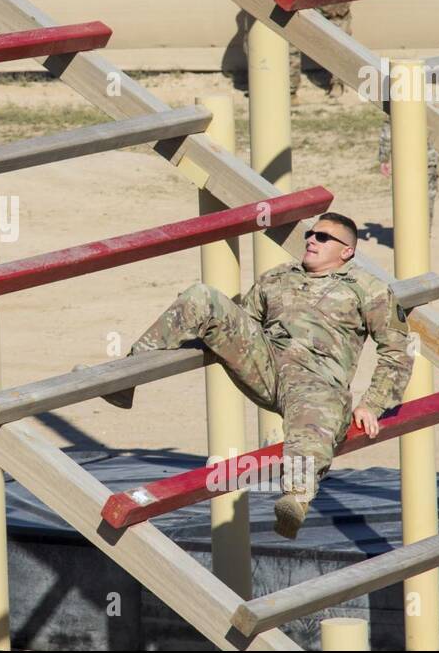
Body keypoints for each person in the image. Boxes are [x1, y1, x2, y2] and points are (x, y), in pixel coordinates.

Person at [96, 212, 414, 540]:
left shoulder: (369, 289)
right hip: (266, 365)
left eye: (322, 237)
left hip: (317, 381)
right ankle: (125, 378)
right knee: (203, 296)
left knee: (311, 426)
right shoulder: (277, 277)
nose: (311, 241)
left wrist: (372, 403)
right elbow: (245, 322)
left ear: (346, 250)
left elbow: (397, 351)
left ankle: (295, 500)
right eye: (310, 234)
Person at [378, 122, 439, 227]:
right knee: (427, 201)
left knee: (405, 200)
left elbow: (387, 132)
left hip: (404, 162)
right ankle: (424, 236)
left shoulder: (399, 105)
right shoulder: (434, 106)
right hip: (428, 161)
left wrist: (384, 159)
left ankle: (406, 236)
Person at [316, 0, 356, 97]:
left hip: (341, 17)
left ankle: (339, 84)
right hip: (327, 18)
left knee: (342, 50)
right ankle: (335, 82)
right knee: (331, 51)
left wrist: (340, 9)